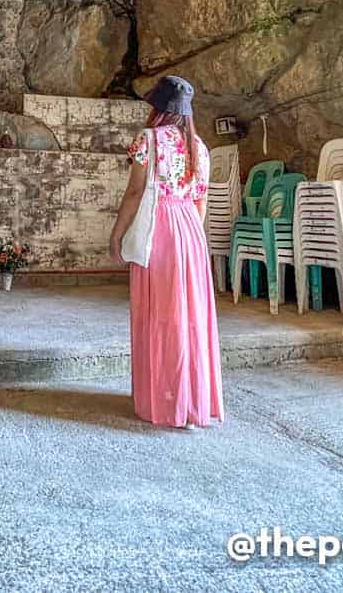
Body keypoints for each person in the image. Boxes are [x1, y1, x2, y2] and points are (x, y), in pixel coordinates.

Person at [109, 76, 223, 428]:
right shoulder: (200, 147)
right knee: (190, 315)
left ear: (158, 108)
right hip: (190, 229)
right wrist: (191, 234)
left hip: (159, 227)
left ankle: (161, 399)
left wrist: (117, 234)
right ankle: (191, 400)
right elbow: (200, 198)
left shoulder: (148, 139)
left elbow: (135, 193)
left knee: (159, 313)